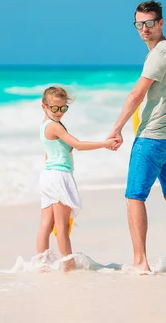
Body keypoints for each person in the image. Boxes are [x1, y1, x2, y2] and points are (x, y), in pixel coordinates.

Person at [107, 0, 166, 273]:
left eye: (150, 23)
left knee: (135, 197)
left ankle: (140, 261)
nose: (144, 29)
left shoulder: (159, 54)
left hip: (151, 138)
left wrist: (116, 129)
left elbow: (136, 94)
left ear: (161, 23)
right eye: (139, 24)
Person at [37, 86, 117, 271]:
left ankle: (40, 264)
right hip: (58, 176)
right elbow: (78, 145)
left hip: (48, 176)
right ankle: (68, 265)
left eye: (63, 108)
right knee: (61, 226)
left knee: (46, 225)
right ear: (44, 107)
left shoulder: (44, 125)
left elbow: (49, 154)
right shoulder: (54, 126)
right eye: (54, 108)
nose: (59, 112)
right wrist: (105, 143)